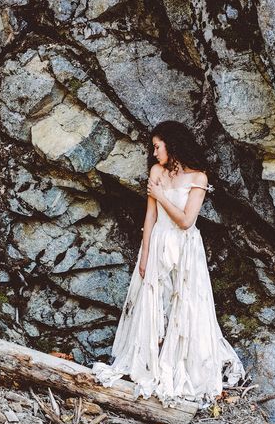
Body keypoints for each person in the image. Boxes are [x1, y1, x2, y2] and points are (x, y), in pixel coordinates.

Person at [92, 120, 244, 405]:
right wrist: (145, 255)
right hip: (159, 241)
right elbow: (150, 216)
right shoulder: (157, 172)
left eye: (157, 147)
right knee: (155, 302)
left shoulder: (198, 178)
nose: (154, 153)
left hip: (185, 247)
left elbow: (186, 221)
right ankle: (152, 363)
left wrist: (161, 195)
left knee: (183, 303)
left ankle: (177, 365)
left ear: (171, 145)